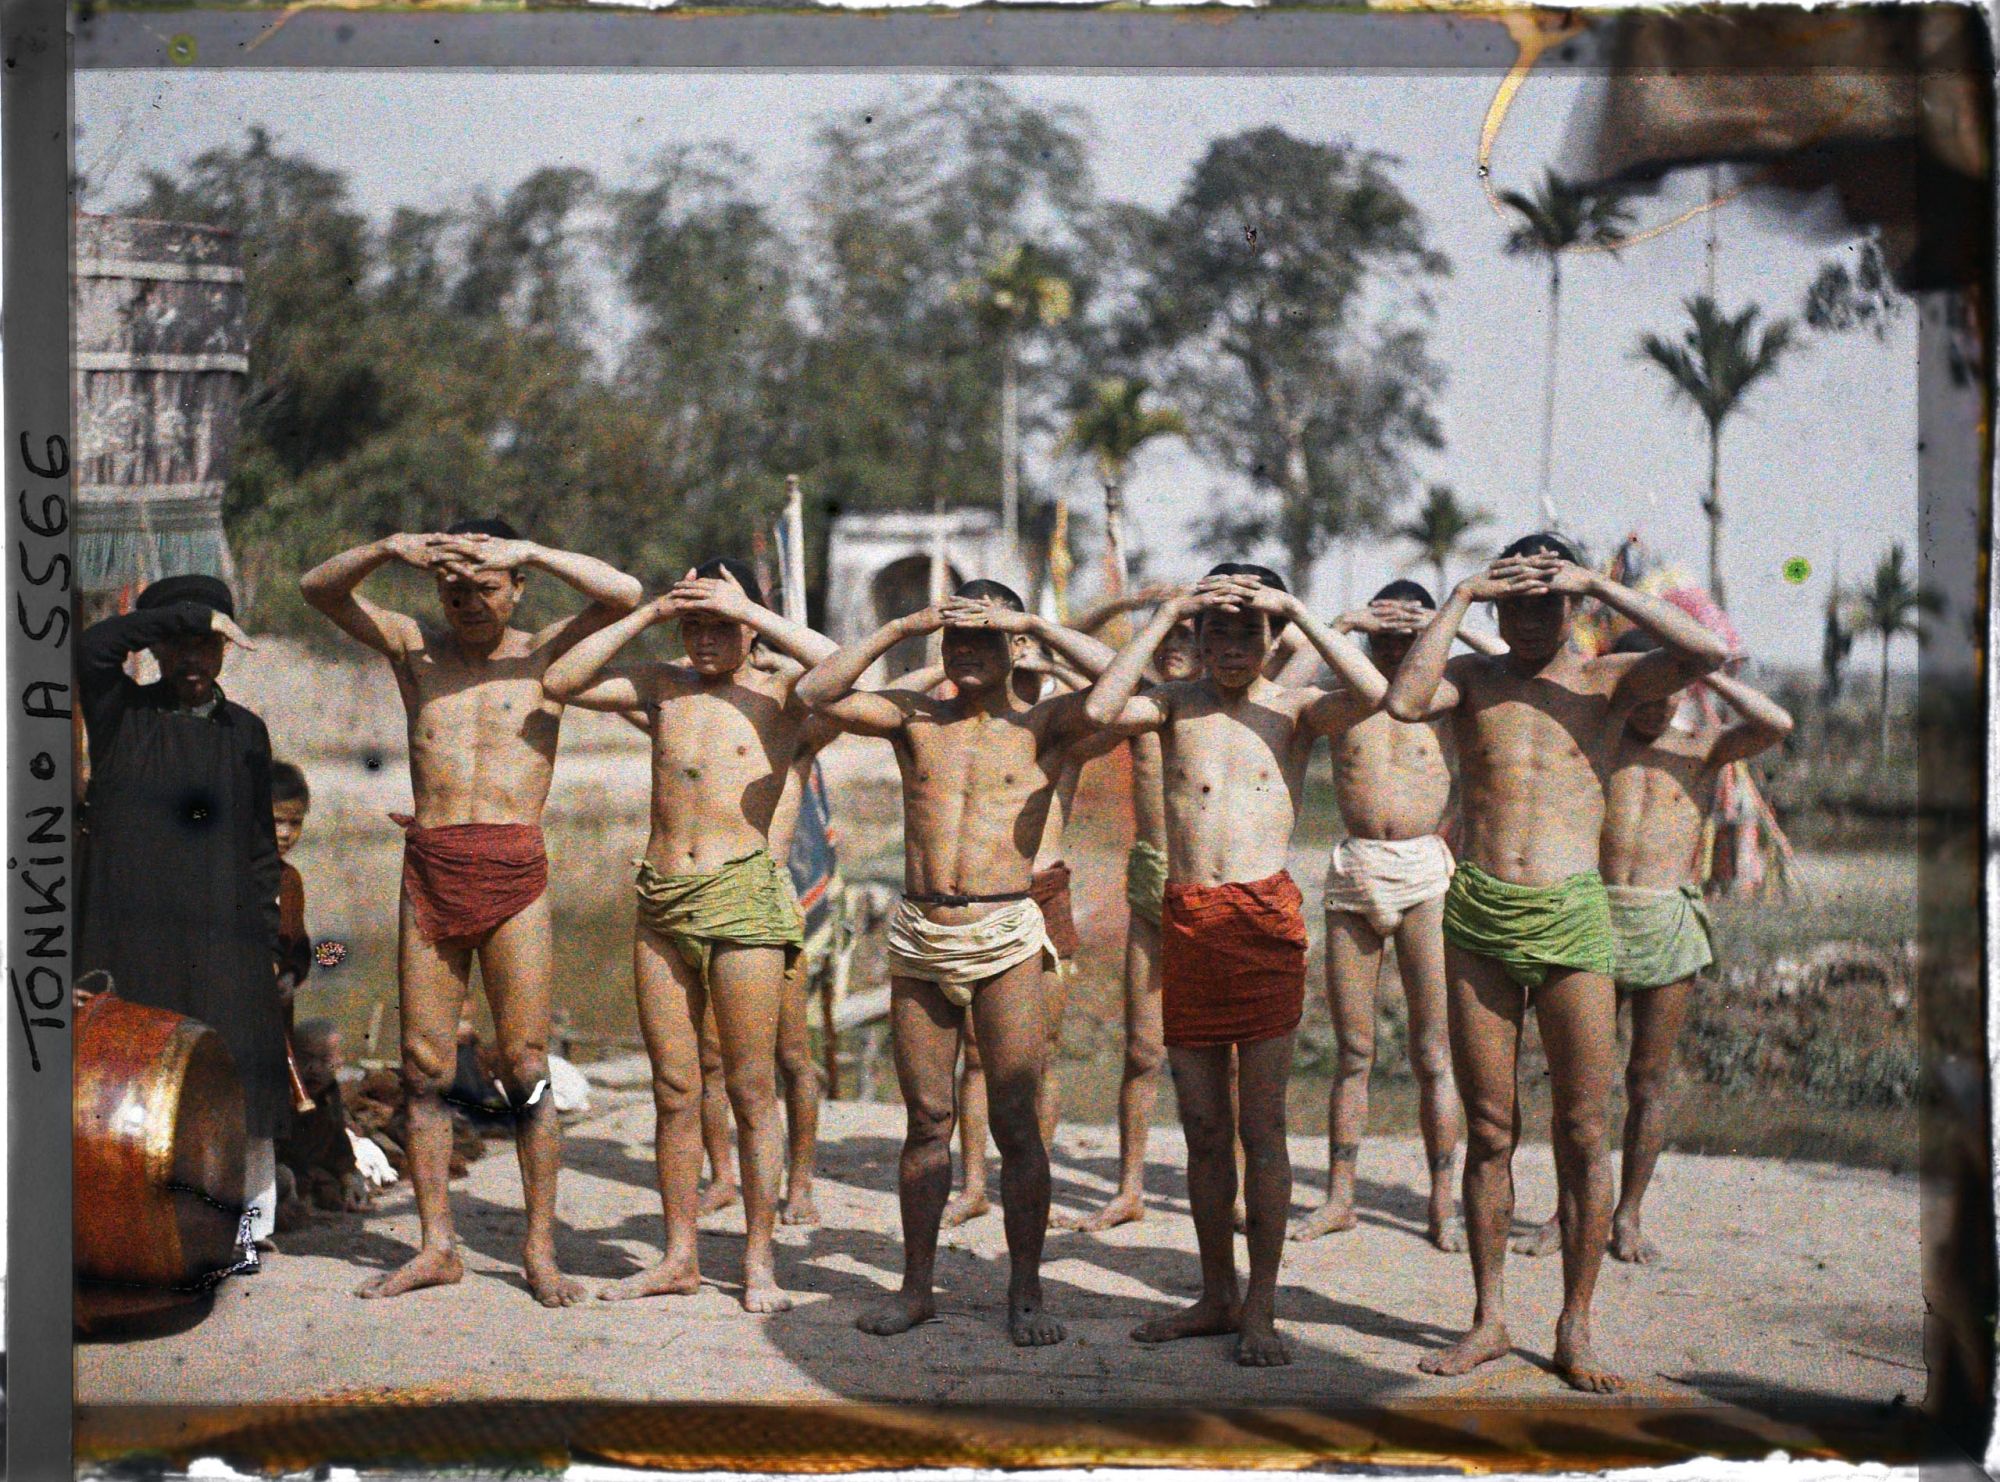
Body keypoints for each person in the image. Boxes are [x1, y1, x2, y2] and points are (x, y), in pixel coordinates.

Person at [1383, 532, 1729, 1393]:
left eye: (1549, 602)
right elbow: (1401, 699)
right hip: (1481, 914)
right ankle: (1491, 1317)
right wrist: (1461, 592)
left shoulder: (1608, 681)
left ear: (1571, 605)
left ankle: (1576, 1323)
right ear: (1499, 607)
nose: (1532, 619)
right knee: (1491, 1129)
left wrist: (1596, 586)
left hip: (1575, 913)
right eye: (1517, 603)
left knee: (1581, 1130)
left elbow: (1706, 651)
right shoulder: (1472, 678)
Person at [300, 520, 643, 1305]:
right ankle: (436, 1245)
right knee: (423, 1069)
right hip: (432, 865)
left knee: (524, 1066)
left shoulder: (547, 649)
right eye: (454, 586)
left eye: (486, 585)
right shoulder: (413, 647)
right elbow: (318, 589)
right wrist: (392, 548)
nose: (468, 600)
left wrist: (529, 552)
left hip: (516, 867)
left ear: (516, 585)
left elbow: (624, 594)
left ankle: (539, 1250)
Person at [1083, 565, 1390, 1367]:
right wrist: (1173, 613)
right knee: (1203, 1126)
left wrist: (1292, 612)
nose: (1230, 645)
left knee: (1263, 1125)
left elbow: (1376, 693)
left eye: (1245, 629)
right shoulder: (1171, 706)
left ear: (1269, 636)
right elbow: (1097, 707)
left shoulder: (1292, 709)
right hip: (1188, 918)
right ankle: (1215, 1294)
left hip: (1260, 920)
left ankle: (1261, 1307)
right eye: (1216, 628)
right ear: (1197, 635)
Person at [796, 582, 1116, 1346]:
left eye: (984, 640)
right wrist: (907, 622)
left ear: (1012, 649)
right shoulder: (914, 720)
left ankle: (1027, 1291)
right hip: (919, 934)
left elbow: (1124, 694)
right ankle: (916, 1286)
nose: (966, 652)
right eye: (955, 640)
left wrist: (1037, 623)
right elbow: (816, 691)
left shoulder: (1047, 724)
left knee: (1015, 1121)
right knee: (928, 1120)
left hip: (1005, 928)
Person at [543, 560, 837, 1312]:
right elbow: (562, 682)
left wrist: (753, 611)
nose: (706, 638)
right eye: (694, 625)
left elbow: (840, 670)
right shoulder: (662, 686)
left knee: (750, 1085)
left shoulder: (784, 695)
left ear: (749, 627)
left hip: (744, 898)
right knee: (675, 1088)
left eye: (722, 625)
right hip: (663, 899)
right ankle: (678, 1255)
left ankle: (759, 1261)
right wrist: (648, 614)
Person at [1512, 632, 1793, 1264]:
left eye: (1670, 692)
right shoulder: (1595, 746)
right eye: (1645, 691)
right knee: (1579, 1089)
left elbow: (1778, 722)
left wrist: (1703, 673)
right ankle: (1567, 1212)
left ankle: (1628, 1213)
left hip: (1666, 922)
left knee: (1648, 1079)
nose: (1655, 706)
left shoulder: (1702, 748)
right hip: (1593, 918)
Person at [1273, 584, 1502, 1252]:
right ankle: (1340, 1196)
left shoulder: (1447, 694)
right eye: (1387, 635)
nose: (1396, 645)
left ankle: (1441, 1202)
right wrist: (1339, 626)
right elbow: (1279, 698)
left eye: (1408, 637)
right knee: (1354, 1051)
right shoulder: (1343, 698)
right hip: (1356, 869)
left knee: (1435, 1050)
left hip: (1424, 872)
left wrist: (1443, 626)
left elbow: (1507, 658)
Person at [76, 574, 290, 1253]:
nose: (194, 661)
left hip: (225, 939)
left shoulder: (246, 733)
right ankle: (136, 1230)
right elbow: (91, 649)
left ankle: (249, 1231)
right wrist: (189, 615)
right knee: (128, 1088)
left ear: (226, 651)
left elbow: (261, 848)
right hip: (129, 935)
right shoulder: (120, 716)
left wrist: (267, 936)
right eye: (178, 645)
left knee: (238, 1079)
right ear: (157, 649)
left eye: (207, 645)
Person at [944, 641, 1108, 1229]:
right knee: (974, 1054)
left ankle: (1032, 1179)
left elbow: (1123, 689)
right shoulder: (966, 723)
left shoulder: (1066, 731)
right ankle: (972, 1185)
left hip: (1043, 890)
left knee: (1043, 1054)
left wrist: (1049, 655)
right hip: (984, 894)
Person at [1058, 589, 1202, 1232]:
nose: (1175, 647)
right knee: (1143, 1050)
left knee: (1221, 1055)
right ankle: (1130, 1187)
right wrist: (1144, 602)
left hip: (1214, 883)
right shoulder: (1137, 695)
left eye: (1188, 636)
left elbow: (1290, 646)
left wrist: (1212, 602)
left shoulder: (1230, 700)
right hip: (1150, 880)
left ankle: (1229, 1188)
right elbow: (1066, 633)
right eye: (1166, 636)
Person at [276, 1019, 371, 1228]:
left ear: (339, 1062)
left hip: (309, 1174)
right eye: (307, 1058)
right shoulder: (279, 1093)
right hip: (278, 1172)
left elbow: (337, 1140)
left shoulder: (329, 1093)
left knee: (338, 1190)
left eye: (325, 1059)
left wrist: (348, 1176)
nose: (315, 1068)